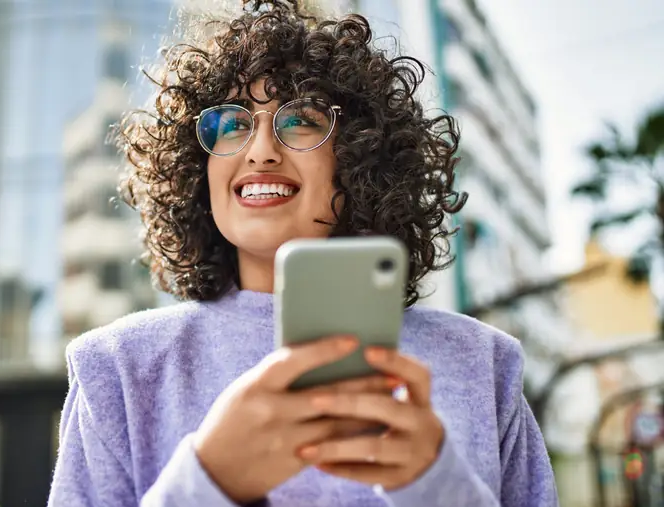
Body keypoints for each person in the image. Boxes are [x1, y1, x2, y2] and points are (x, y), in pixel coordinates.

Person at [48, 1, 558, 506]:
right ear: (198, 170)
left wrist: (439, 485)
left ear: (360, 154)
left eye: (301, 121)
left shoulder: (484, 363)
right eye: (230, 123)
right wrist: (209, 480)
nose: (261, 149)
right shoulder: (116, 370)